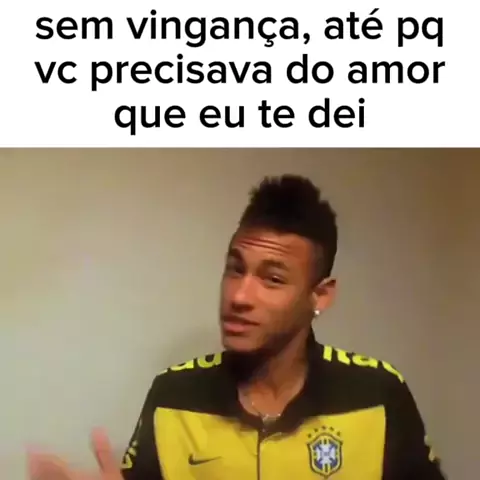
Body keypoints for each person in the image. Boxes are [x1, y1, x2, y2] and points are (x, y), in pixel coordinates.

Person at [29, 175, 446, 480]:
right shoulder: (173, 396)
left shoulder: (378, 394)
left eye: (273, 278)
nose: (239, 295)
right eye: (235, 269)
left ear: (320, 296)